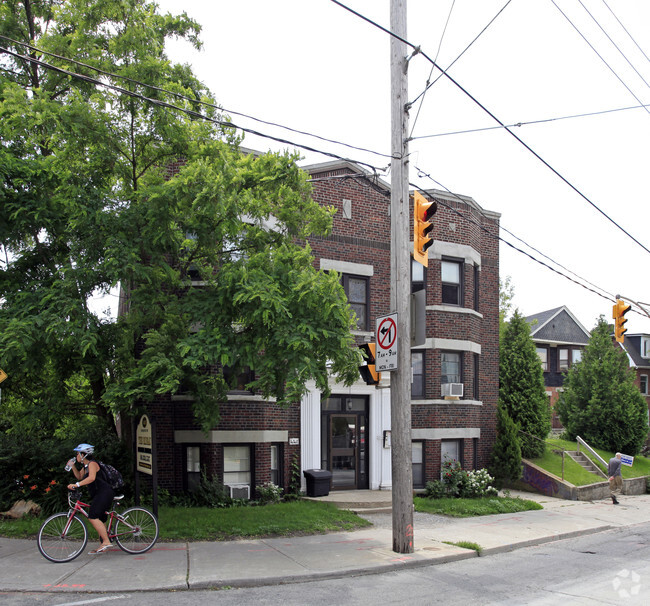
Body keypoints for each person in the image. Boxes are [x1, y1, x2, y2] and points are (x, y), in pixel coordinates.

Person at [66, 443, 114, 553]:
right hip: (99, 494)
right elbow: (79, 476)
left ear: (83, 454)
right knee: (100, 518)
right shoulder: (86, 466)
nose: (76, 455)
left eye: (78, 453)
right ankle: (103, 544)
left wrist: (77, 485)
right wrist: (73, 466)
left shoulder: (92, 464)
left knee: (92, 516)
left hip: (104, 493)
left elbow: (92, 478)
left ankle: (106, 541)